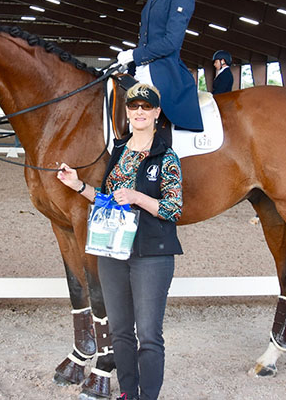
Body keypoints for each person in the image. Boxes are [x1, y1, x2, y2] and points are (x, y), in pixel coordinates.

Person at [57, 83, 183, 400]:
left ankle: (148, 396)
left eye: (146, 107)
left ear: (156, 114)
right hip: (113, 252)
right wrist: (77, 185)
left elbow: (173, 209)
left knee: (150, 334)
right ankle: (127, 391)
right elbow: (106, 200)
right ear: (127, 113)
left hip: (152, 256)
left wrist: (138, 196)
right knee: (121, 331)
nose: (139, 112)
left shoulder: (166, 157)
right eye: (133, 107)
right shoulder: (118, 151)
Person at [116, 0, 203, 138]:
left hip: (164, 71)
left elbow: (171, 42)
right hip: (144, 68)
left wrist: (134, 54)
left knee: (144, 119)